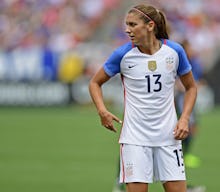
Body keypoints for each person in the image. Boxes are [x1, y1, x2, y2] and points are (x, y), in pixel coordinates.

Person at [89, 4, 197, 192]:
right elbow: (94, 83)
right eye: (126, 24)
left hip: (168, 137)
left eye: (132, 24)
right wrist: (102, 111)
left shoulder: (174, 52)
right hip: (135, 139)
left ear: (150, 26)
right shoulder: (122, 54)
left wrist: (185, 119)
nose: (127, 29)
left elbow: (191, 88)